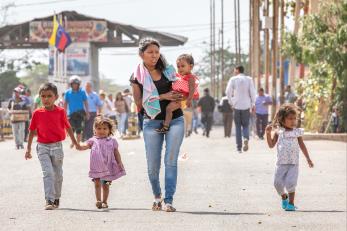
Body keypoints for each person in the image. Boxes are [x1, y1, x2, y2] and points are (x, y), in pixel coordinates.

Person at [130, 37, 184, 212]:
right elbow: (138, 102)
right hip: (151, 122)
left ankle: (169, 200)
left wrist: (180, 95)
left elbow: (181, 89)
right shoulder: (136, 77)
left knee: (171, 161)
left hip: (175, 119)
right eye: (150, 52)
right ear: (141, 55)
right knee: (153, 165)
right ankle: (157, 196)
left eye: (156, 52)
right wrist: (162, 97)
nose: (154, 56)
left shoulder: (168, 70)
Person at [25, 83, 80, 210]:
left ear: (55, 97)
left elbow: (68, 127)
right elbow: (32, 131)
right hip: (42, 146)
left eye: (49, 96)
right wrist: (28, 149)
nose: (46, 99)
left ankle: (56, 197)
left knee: (58, 175)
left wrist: (75, 143)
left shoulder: (60, 112)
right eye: (43, 96)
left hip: (57, 147)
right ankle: (49, 200)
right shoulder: (37, 113)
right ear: (40, 98)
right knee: (48, 173)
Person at [265, 103, 314, 211]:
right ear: (282, 120)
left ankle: (291, 204)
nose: (293, 121)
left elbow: (302, 145)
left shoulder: (297, 132)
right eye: (290, 119)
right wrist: (268, 134)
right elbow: (271, 145)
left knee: (291, 183)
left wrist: (308, 158)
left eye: (294, 119)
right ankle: (284, 197)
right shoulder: (279, 132)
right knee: (277, 184)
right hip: (281, 163)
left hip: (293, 163)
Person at [79, 116, 125, 209]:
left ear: (109, 130)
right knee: (97, 183)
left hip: (109, 168)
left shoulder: (112, 141)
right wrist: (79, 146)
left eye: (105, 128)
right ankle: (98, 200)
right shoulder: (93, 140)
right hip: (97, 167)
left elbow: (116, 153)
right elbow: (86, 146)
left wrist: (119, 162)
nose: (102, 131)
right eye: (99, 128)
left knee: (106, 185)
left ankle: (105, 201)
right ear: (95, 129)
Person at [155, 54, 199, 133]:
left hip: (181, 99)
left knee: (168, 109)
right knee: (168, 109)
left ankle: (166, 126)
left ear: (191, 67)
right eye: (178, 67)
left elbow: (192, 89)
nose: (180, 68)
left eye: (183, 66)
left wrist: (189, 99)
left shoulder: (190, 78)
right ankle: (166, 124)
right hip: (178, 97)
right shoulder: (179, 77)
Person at [225, 65, 256, 153]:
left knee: (238, 126)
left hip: (237, 106)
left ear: (237, 70)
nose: (234, 71)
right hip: (246, 106)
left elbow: (228, 91)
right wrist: (253, 103)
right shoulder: (249, 79)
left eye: (235, 70)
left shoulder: (233, 79)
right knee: (246, 125)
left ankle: (239, 147)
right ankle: (246, 138)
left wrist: (231, 102)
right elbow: (253, 92)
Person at [64, 75, 89, 147]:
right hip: (71, 114)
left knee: (79, 128)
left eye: (76, 84)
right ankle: (73, 141)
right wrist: (64, 113)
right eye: (73, 84)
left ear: (78, 84)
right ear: (71, 84)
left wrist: (87, 112)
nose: (75, 85)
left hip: (80, 113)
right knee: (71, 128)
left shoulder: (82, 92)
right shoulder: (67, 92)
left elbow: (86, 102)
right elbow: (65, 103)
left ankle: (78, 143)